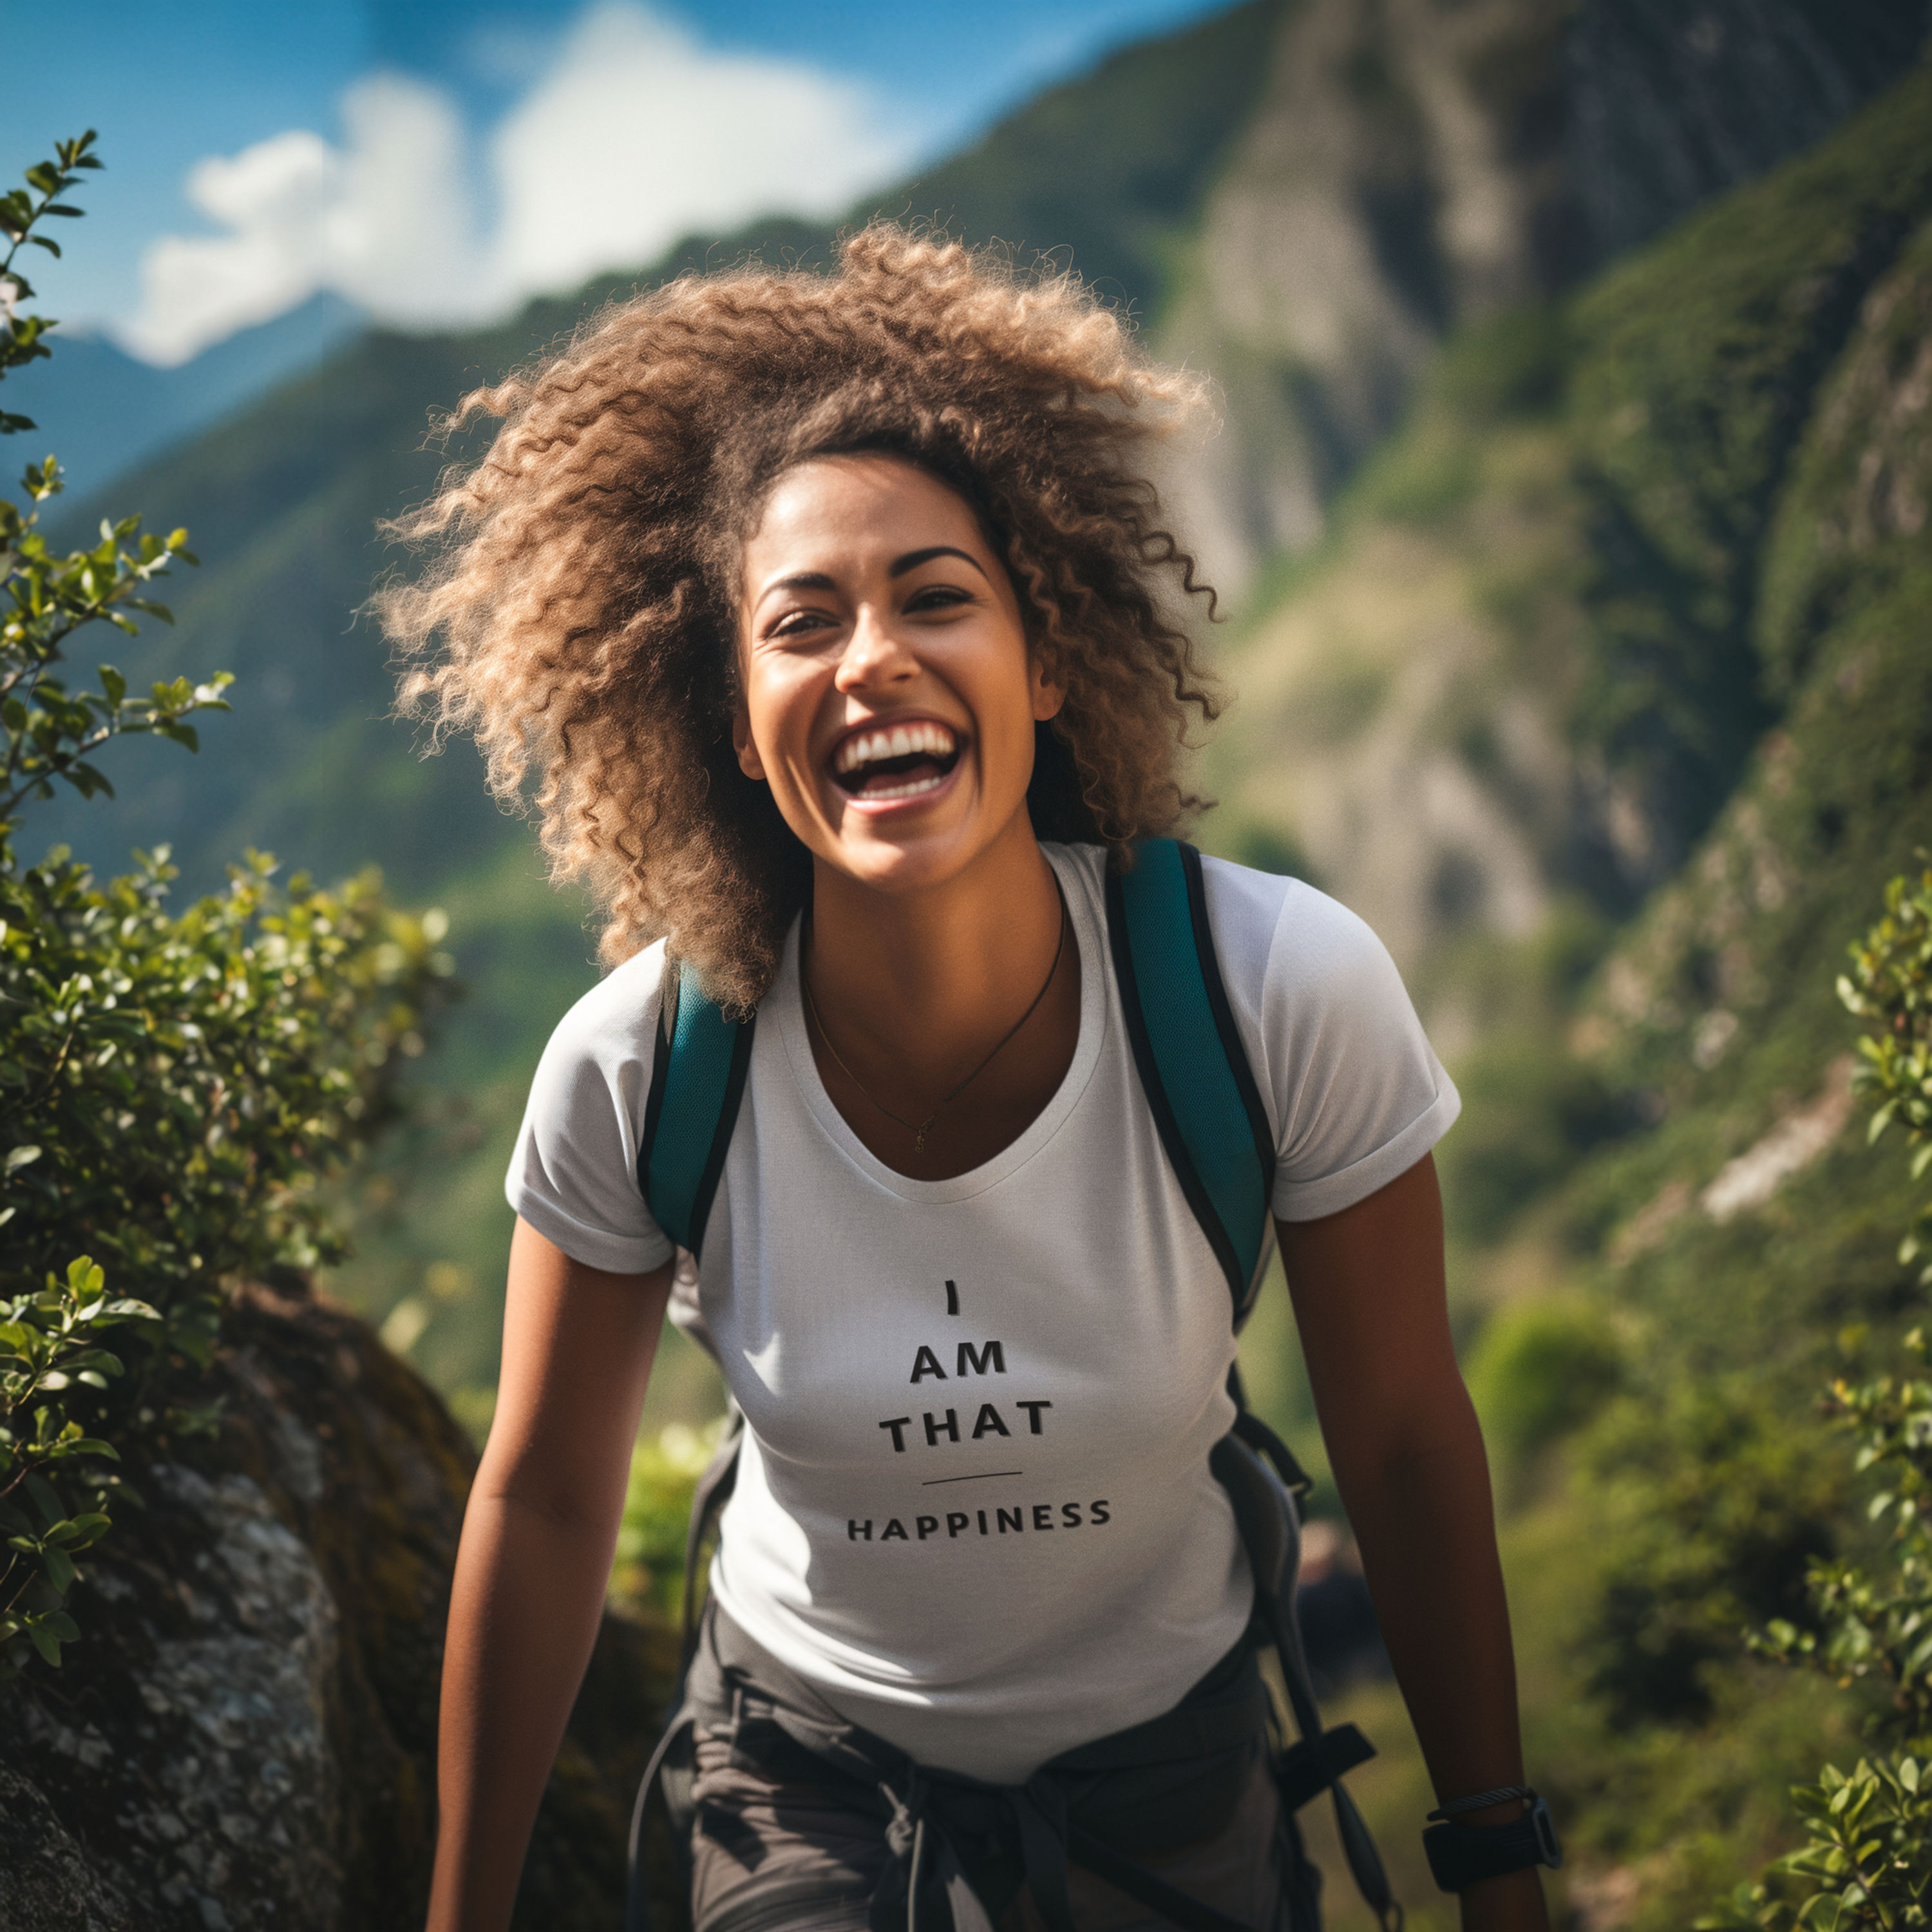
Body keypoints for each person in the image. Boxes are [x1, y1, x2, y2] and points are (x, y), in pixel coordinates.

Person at [381, 228, 1551, 1932]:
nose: (873, 661)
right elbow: (548, 1498)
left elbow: (1402, 1437)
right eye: (804, 624)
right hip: (808, 1801)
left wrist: (1499, 1869)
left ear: (1050, 659)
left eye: (938, 597)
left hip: (1176, 1796)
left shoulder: (1269, 991)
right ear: (728, 711)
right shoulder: (641, 1071)